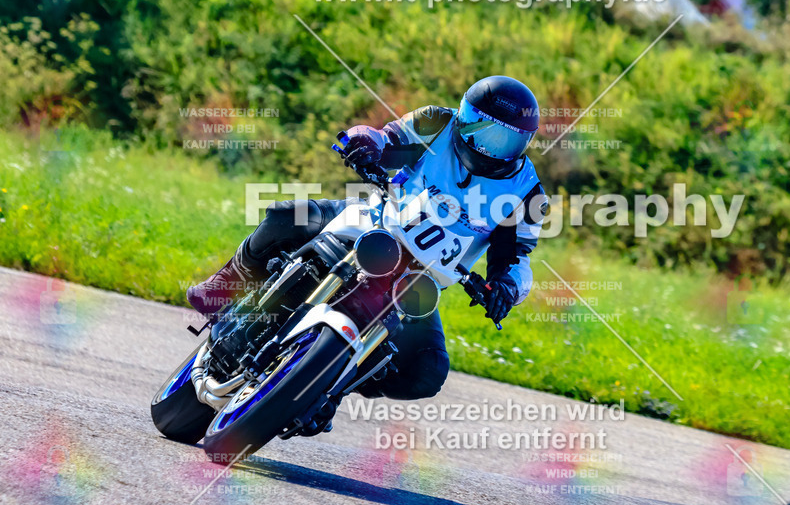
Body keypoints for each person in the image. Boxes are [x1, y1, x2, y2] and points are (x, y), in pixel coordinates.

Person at [186, 75, 548, 401]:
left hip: (418, 281)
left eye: (500, 139)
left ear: (523, 144)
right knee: (286, 215)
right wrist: (363, 143)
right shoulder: (437, 124)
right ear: (463, 113)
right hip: (372, 220)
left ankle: (332, 382)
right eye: (477, 126)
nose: (484, 144)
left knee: (428, 372)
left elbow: (515, 258)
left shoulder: (527, 193)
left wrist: (506, 288)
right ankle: (226, 283)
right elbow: (387, 139)